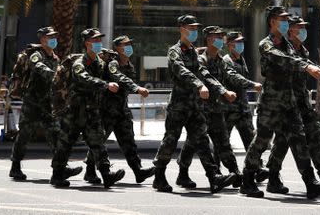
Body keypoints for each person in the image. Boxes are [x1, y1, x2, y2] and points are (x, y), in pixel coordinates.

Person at [239, 6, 320, 199]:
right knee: (261, 141)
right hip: (271, 103)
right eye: (282, 19)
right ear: (272, 21)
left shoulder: (288, 45)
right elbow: (284, 59)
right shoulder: (266, 44)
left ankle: (311, 182)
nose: (285, 23)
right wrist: (305, 66)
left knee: (299, 140)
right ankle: (247, 180)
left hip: (289, 103)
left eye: (286, 20)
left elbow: (299, 59)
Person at [262, 15, 320, 194]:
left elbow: (309, 64)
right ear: (290, 30)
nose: (303, 30)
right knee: (286, 140)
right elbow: (299, 66)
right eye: (298, 27)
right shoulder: (282, 48)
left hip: (301, 100)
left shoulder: (301, 50)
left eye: (303, 27)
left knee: (313, 134)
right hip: (286, 102)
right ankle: (277, 177)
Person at [151, 15, 237, 194]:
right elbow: (181, 70)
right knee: (170, 141)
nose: (194, 32)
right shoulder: (175, 51)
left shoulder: (194, 53)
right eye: (191, 28)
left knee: (202, 140)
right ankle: (159, 176)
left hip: (195, 106)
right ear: (182, 29)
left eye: (196, 29)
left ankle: (213, 178)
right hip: (179, 105)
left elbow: (204, 73)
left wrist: (222, 91)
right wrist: (199, 85)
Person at [176, 26, 256, 188]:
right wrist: (224, 91)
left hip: (216, 108)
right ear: (208, 39)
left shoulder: (220, 60)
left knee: (223, 141)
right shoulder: (201, 60)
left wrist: (250, 84)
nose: (221, 39)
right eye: (217, 36)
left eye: (222, 36)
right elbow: (207, 77)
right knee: (194, 142)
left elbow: (231, 74)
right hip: (199, 109)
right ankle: (186, 173)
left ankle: (235, 173)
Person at [49, 28, 125, 189]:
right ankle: (57, 175)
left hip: (92, 111)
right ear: (87, 43)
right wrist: (105, 85)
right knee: (65, 143)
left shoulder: (100, 62)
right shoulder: (79, 63)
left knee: (98, 142)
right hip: (75, 111)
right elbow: (84, 78)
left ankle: (106, 175)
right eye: (95, 40)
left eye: (99, 40)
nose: (98, 43)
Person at [83, 35, 156, 184]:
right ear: (118, 48)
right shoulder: (113, 64)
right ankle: (90, 171)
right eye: (125, 44)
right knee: (99, 141)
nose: (129, 46)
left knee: (129, 141)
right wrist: (137, 88)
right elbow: (119, 77)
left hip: (122, 110)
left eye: (130, 43)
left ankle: (138, 171)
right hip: (107, 110)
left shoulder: (130, 64)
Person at [10, 27, 79, 181]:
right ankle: (15, 166)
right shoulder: (36, 55)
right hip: (32, 102)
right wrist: (56, 75)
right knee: (25, 135)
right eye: (50, 37)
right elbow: (39, 67)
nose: (54, 39)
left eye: (55, 36)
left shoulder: (55, 58)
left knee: (55, 134)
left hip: (48, 103)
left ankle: (60, 167)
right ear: (42, 40)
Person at [223, 32, 268, 181]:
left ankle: (257, 168)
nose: (241, 45)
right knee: (223, 142)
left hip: (242, 108)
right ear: (230, 45)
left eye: (242, 42)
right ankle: (218, 172)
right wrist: (252, 84)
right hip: (229, 109)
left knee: (251, 139)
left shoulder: (241, 59)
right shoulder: (226, 60)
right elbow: (234, 78)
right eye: (237, 42)